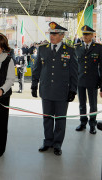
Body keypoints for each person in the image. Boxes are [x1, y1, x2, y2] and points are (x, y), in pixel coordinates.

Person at [31, 22, 78, 156]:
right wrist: (34, 84)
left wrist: (73, 90)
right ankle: (48, 142)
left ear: (62, 36)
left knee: (60, 119)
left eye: (55, 34)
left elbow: (74, 72)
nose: (52, 36)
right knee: (47, 118)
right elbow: (37, 68)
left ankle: (57, 144)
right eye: (51, 33)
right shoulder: (43, 49)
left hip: (62, 91)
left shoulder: (70, 50)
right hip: (46, 90)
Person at [74, 25, 102, 134]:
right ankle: (83, 122)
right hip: (80, 80)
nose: (85, 36)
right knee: (82, 104)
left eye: (87, 34)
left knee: (93, 104)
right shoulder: (77, 47)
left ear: (92, 35)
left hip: (93, 80)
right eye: (83, 34)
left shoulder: (98, 48)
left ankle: (92, 124)